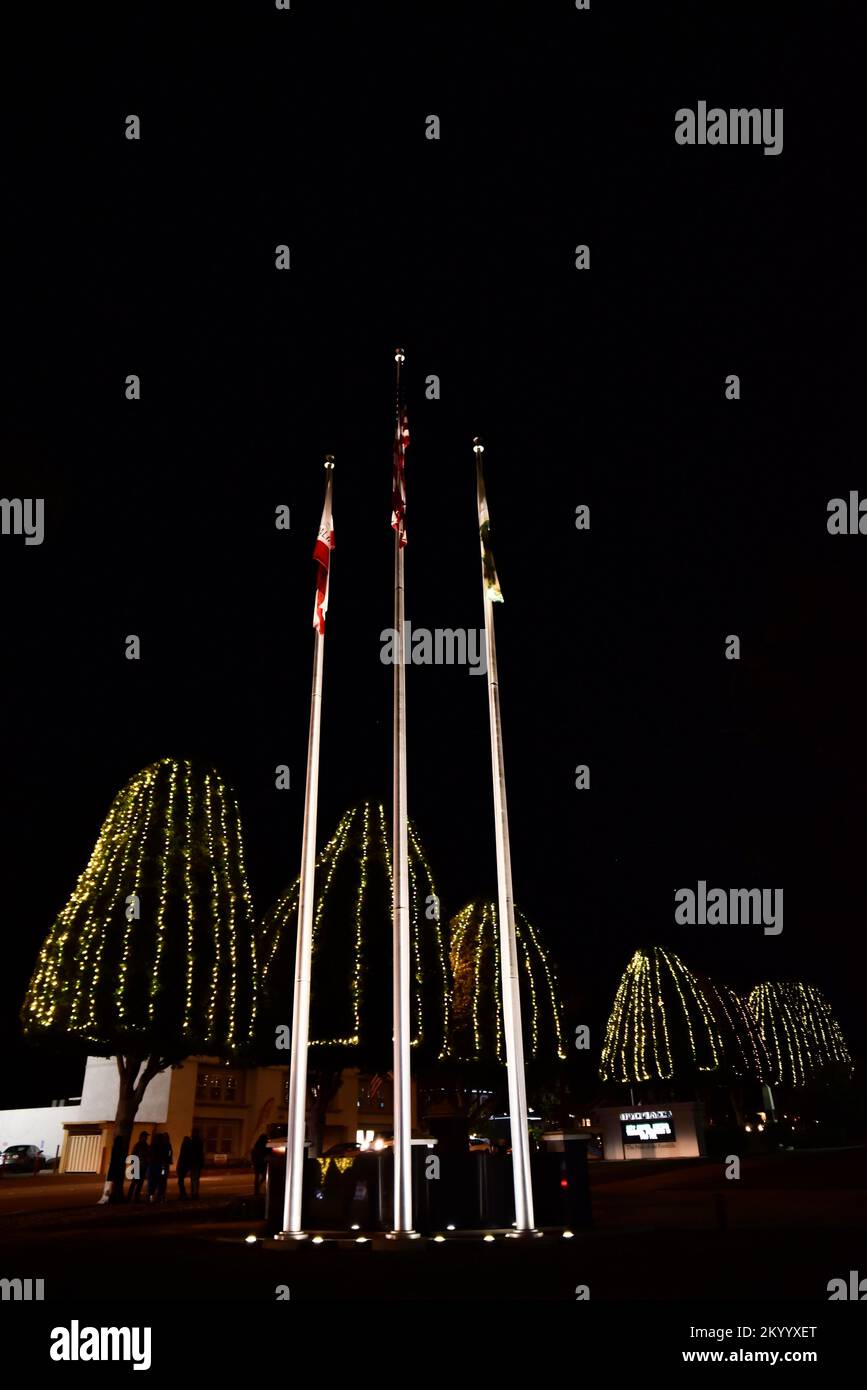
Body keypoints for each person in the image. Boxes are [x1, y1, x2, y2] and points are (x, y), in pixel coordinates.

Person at [127, 1131, 150, 1202]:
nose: (146, 1138)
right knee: (135, 1182)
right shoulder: (139, 1145)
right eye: (145, 1136)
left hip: (142, 1166)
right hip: (138, 1166)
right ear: (142, 1137)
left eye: (146, 1136)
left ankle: (135, 1197)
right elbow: (133, 1155)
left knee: (139, 1183)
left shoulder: (145, 1145)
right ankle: (130, 1196)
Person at [188, 1128, 204, 1199]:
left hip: (194, 1163)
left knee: (194, 1178)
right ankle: (195, 1193)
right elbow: (201, 1153)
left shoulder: (194, 1141)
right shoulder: (198, 1141)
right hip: (196, 1163)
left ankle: (194, 1193)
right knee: (195, 1179)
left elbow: (192, 1153)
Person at [251, 1131, 268, 1196]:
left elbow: (253, 1153)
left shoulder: (257, 1145)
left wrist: (253, 1162)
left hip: (256, 1163)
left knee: (257, 1177)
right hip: (261, 1163)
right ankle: (257, 1187)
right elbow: (266, 1152)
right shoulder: (264, 1145)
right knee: (263, 1176)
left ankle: (256, 1190)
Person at [177, 1135, 192, 1200]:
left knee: (180, 1181)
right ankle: (183, 1194)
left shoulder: (185, 1147)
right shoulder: (188, 1147)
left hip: (182, 1166)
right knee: (180, 1181)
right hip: (183, 1166)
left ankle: (183, 1194)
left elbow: (182, 1157)